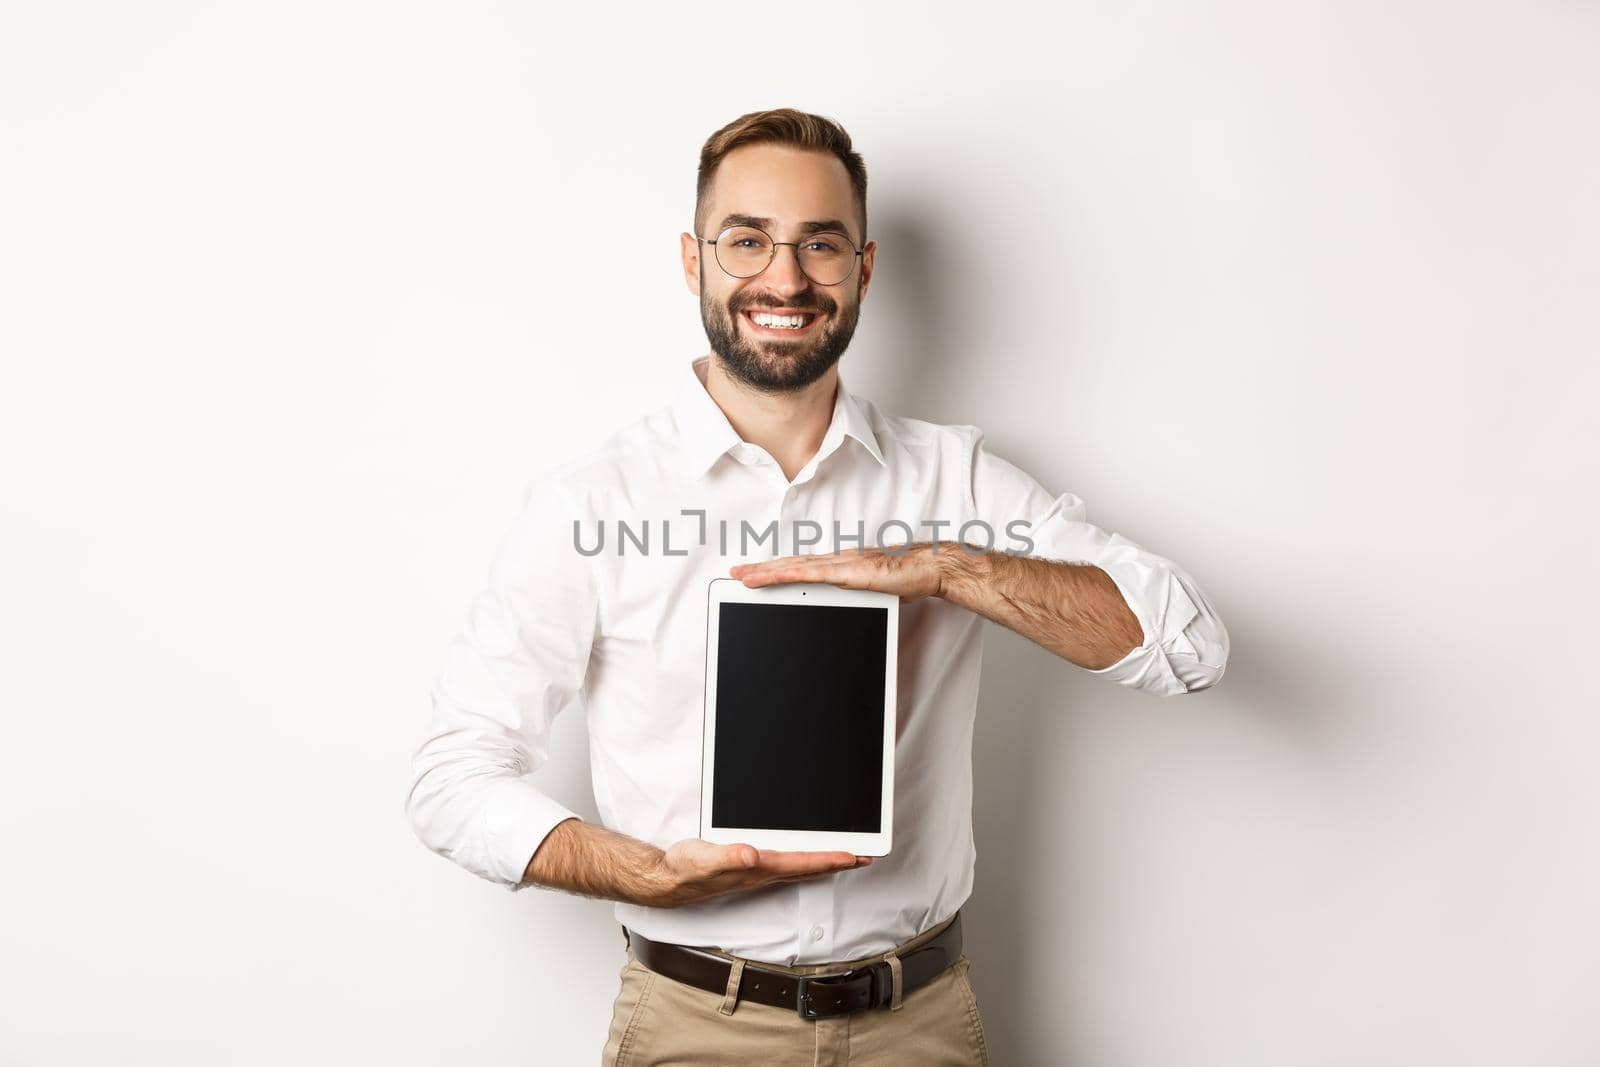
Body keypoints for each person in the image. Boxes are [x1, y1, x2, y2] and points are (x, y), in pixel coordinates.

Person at [406, 107, 1230, 1066]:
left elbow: (1192, 649)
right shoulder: (593, 503)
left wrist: (947, 566)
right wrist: (648, 873)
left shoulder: (955, 484)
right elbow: (450, 777)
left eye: (820, 245)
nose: (785, 278)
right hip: (691, 1023)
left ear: (864, 269)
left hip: (918, 1023)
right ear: (693, 259)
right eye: (747, 240)